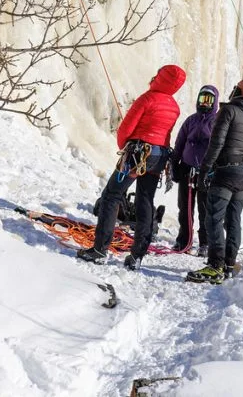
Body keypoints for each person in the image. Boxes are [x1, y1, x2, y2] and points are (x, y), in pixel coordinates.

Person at [78, 65, 184, 269]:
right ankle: (137, 255)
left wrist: (124, 147)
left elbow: (126, 128)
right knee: (145, 200)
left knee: (112, 195)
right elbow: (166, 134)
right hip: (159, 155)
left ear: (161, 78)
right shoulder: (174, 106)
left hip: (138, 153)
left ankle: (99, 250)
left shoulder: (147, 98)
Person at [187, 79, 243, 284]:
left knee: (213, 217)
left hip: (225, 172)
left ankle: (215, 265)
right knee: (233, 219)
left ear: (238, 91)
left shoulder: (227, 112)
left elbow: (216, 143)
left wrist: (205, 169)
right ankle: (229, 264)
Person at [171, 85, 221, 253]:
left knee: (204, 208)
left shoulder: (217, 122)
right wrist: (174, 164)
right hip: (187, 168)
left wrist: (215, 168)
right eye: (202, 99)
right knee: (184, 207)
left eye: (209, 100)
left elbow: (219, 146)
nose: (205, 103)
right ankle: (184, 239)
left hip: (206, 171)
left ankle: (205, 243)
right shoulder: (191, 120)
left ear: (214, 102)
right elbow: (179, 143)